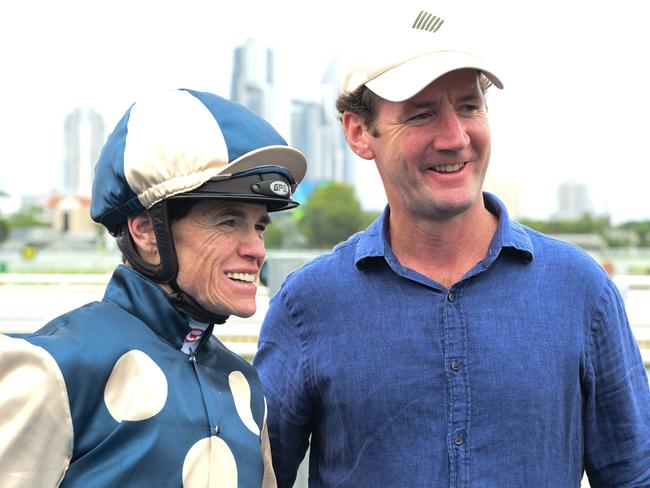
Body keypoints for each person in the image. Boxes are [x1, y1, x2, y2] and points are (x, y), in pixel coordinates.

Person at [254, 6, 650, 487]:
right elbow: (257, 477)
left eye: (469, 106)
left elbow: (635, 474)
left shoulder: (580, 290)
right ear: (359, 133)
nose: (456, 137)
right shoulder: (308, 306)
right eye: (422, 114)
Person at [0, 88, 306, 487]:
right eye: (228, 221)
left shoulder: (246, 386)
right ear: (145, 230)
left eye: (259, 226)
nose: (256, 250)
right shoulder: (51, 369)